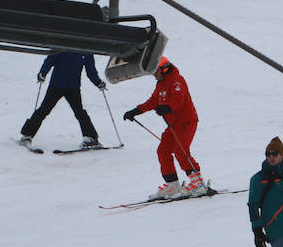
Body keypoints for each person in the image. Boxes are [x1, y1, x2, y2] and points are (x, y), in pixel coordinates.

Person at [123, 56, 204, 199]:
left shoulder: (177, 81)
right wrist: (136, 111)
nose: (154, 75)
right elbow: (153, 101)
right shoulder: (161, 83)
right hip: (173, 125)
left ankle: (198, 183)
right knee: (163, 151)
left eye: (155, 72)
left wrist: (167, 108)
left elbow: (178, 101)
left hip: (186, 122)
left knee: (181, 151)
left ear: (164, 69)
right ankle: (172, 185)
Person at [19, 51, 107, 149]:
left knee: (80, 112)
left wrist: (98, 82)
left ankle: (91, 138)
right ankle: (27, 136)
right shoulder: (63, 46)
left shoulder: (86, 52)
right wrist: (43, 72)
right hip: (56, 86)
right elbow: (49, 61)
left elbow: (91, 71)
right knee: (44, 110)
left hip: (73, 88)